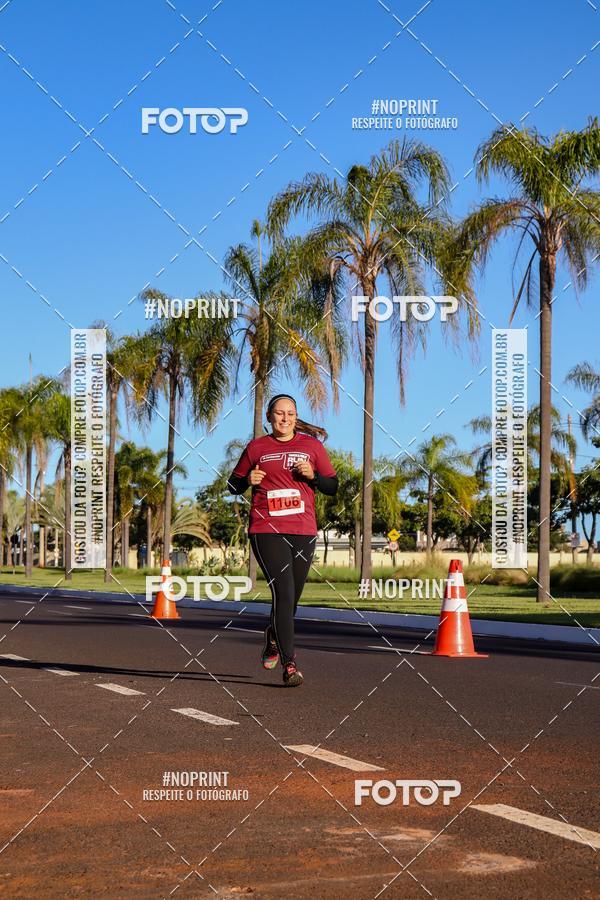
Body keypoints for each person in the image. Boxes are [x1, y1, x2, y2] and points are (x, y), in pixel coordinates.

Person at [227, 394, 338, 686]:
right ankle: (290, 665)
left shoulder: (312, 447)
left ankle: (273, 637)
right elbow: (232, 484)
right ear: (269, 416)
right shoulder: (257, 448)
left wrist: (313, 476)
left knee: (292, 600)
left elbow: (332, 485)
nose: (284, 418)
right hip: (266, 530)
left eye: (290, 413)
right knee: (284, 594)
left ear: (296, 416)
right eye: (279, 413)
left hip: (303, 530)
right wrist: (247, 480)